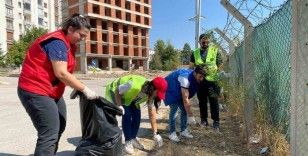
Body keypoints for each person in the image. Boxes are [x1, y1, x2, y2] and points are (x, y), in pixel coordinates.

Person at [17, 14, 99, 156]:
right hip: (35, 90)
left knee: (60, 124)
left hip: (51, 91)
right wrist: (84, 89)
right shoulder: (57, 42)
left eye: (85, 36)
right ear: (71, 29)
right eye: (81, 35)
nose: (83, 39)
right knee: (49, 132)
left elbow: (62, 74)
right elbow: (61, 73)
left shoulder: (68, 44)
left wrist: (75, 86)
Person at [105, 75, 167, 154]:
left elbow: (152, 113)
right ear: (153, 88)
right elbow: (117, 90)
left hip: (130, 97)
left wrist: (155, 133)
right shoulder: (133, 85)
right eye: (158, 93)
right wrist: (119, 105)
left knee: (137, 116)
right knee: (126, 115)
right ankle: (128, 142)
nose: (157, 96)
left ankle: (133, 138)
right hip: (115, 92)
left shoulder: (149, 93)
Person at [190, 33, 223, 130]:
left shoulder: (215, 50)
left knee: (214, 101)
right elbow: (191, 66)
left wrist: (211, 70)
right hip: (200, 82)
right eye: (203, 41)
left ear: (209, 41)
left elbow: (220, 64)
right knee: (202, 102)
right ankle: (204, 120)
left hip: (213, 81)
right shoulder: (195, 53)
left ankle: (216, 121)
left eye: (207, 41)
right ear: (199, 41)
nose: (205, 42)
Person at [164, 65, 206, 142]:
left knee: (183, 109)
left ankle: (183, 130)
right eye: (200, 76)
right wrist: (191, 117)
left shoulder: (194, 76)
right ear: (195, 73)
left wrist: (189, 112)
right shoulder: (185, 79)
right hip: (171, 88)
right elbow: (186, 99)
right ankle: (172, 133)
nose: (201, 79)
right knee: (174, 110)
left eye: (203, 77)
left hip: (178, 88)